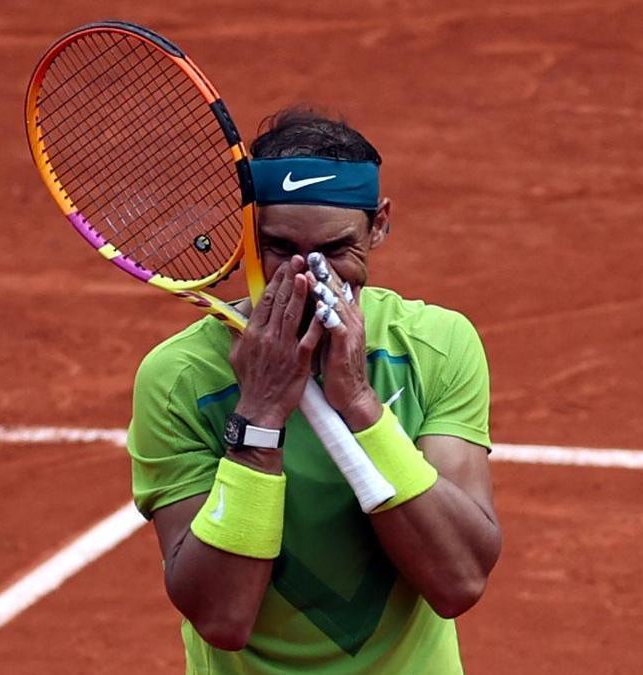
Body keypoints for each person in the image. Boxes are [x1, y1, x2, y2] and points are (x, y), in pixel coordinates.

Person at [127, 107, 500, 673]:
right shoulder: (181, 379)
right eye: (281, 248)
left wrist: (359, 403)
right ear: (249, 235)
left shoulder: (434, 347)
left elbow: (458, 580)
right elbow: (223, 617)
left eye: (338, 251)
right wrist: (259, 414)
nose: (308, 276)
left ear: (379, 225)